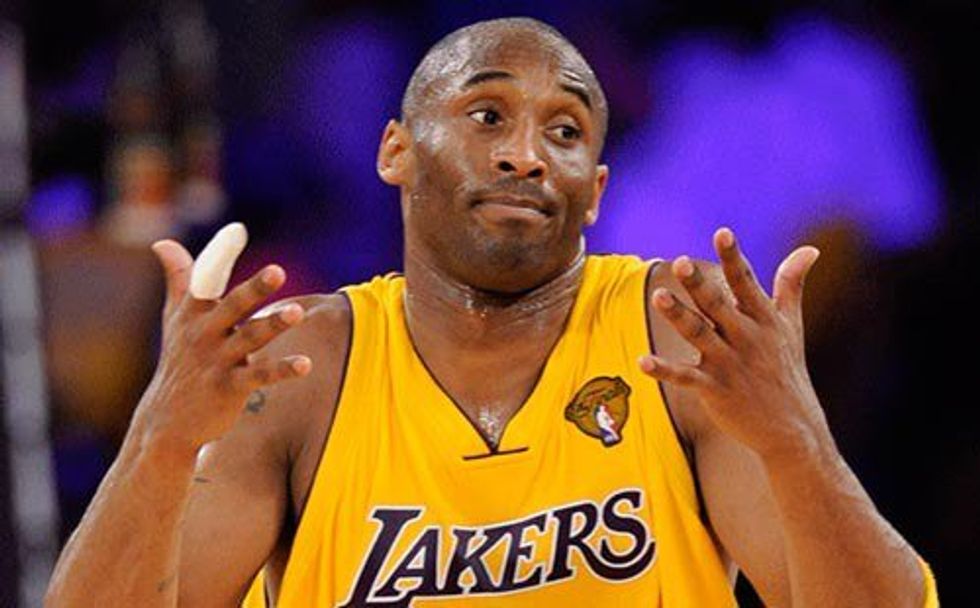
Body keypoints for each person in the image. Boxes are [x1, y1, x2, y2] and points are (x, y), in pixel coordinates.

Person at [45, 17, 938, 607]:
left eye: (564, 131)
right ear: (396, 151)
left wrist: (796, 444)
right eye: (486, 115)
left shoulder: (674, 340)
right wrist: (160, 442)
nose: (526, 155)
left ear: (596, 190)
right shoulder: (304, 367)